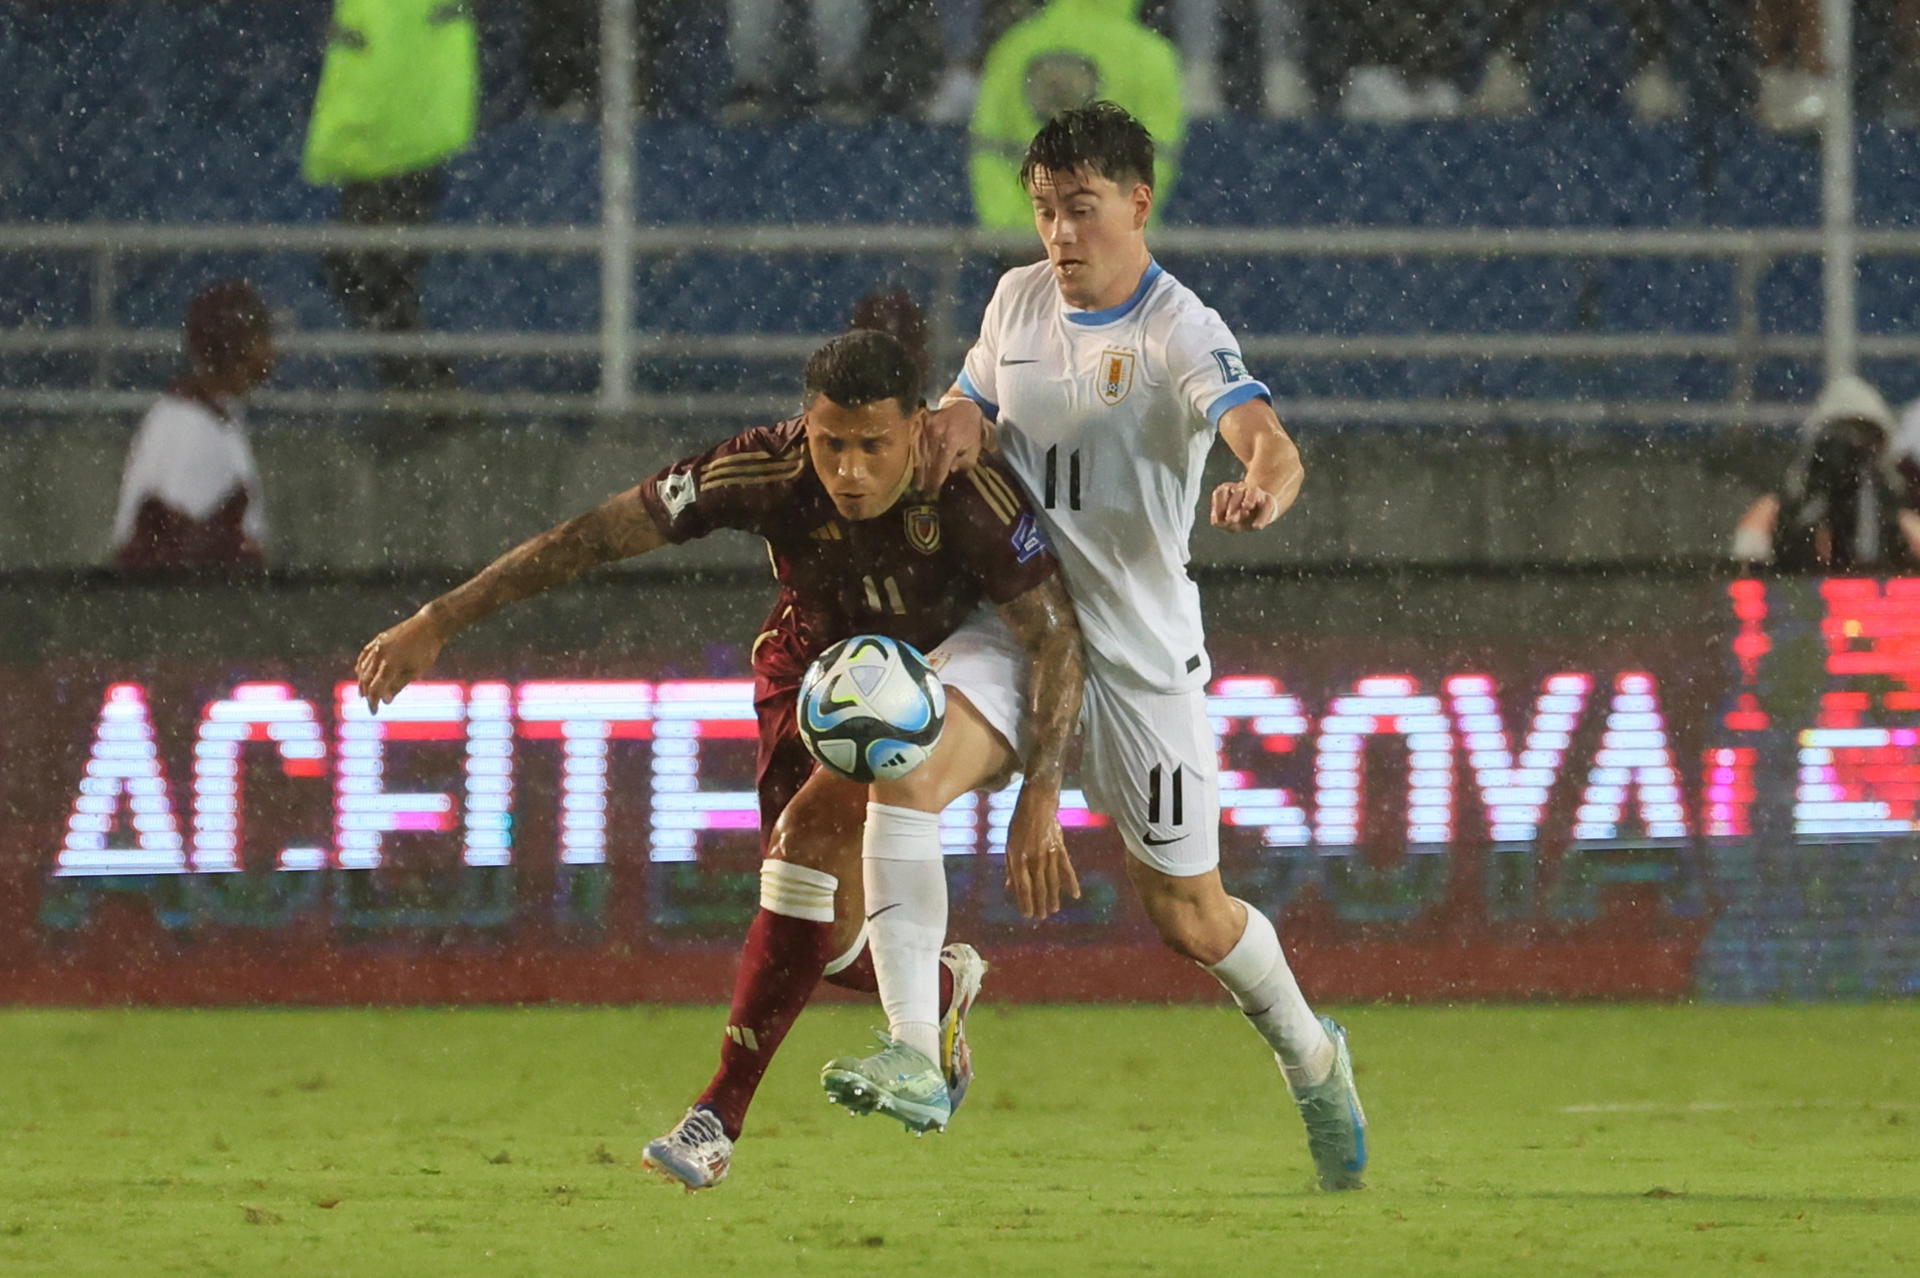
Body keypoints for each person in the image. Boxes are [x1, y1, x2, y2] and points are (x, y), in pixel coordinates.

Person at [353, 329, 1085, 1189]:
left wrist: (1044, 789)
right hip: (808, 672)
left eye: (872, 446)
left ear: (918, 428)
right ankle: (935, 988)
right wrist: (439, 619)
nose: (848, 470)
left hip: (925, 673)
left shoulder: (964, 489)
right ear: (804, 426)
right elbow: (597, 536)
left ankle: (718, 1115)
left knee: (811, 838)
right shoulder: (765, 468)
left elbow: (1054, 633)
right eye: (831, 443)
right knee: (821, 924)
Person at [819, 102, 1368, 1192]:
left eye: (1080, 209)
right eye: (1043, 211)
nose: (1060, 234)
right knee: (902, 772)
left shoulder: (1180, 331)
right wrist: (954, 418)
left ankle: (1314, 1059)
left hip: (1134, 663)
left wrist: (1263, 483)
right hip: (1017, 628)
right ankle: (918, 1056)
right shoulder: (1018, 297)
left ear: (1136, 202)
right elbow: (972, 403)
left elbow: (1269, 440)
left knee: (1190, 917)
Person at [303, 0, 476, 412]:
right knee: (370, 271)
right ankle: (424, 387)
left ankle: (423, 389)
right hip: (383, 147)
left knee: (369, 270)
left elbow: (389, 63)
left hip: (394, 147)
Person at [969, 0, 1183, 231]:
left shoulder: (1016, 45)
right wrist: (1109, 227)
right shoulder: (1151, 56)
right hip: (1110, 244)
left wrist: (1014, 227)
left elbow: (988, 146)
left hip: (1023, 245)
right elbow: (1157, 158)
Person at [112, 281, 276, 573]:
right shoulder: (188, 425)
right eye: (262, 336)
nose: (271, 349)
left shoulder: (220, 411)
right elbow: (176, 548)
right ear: (237, 346)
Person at [1732, 374, 1920, 571]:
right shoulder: (1781, 509)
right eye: (1840, 434)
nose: (1851, 449)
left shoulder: (1893, 515)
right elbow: (1744, 572)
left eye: (1862, 436)